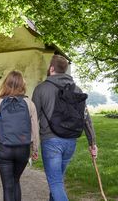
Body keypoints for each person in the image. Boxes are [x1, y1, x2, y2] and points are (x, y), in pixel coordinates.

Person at [32, 55, 98, 201]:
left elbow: (32, 119)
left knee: (55, 182)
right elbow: (85, 118)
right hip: (70, 141)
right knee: (57, 180)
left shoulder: (41, 89)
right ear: (65, 69)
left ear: (51, 69)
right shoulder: (77, 89)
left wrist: (32, 144)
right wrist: (92, 143)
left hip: (50, 142)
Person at [0, 70, 40, 201]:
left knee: (8, 186)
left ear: (6, 84)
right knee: (16, 181)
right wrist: (35, 149)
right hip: (23, 149)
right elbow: (35, 129)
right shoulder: (29, 103)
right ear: (23, 85)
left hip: (3, 148)